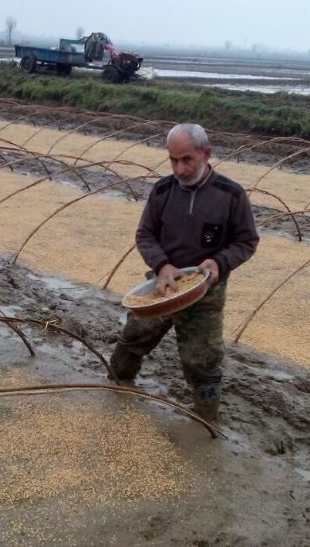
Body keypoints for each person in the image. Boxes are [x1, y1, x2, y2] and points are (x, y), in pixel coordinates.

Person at [110, 123, 259, 424]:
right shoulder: (162, 190)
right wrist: (162, 266)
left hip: (205, 293)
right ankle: (116, 385)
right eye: (173, 160)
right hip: (162, 286)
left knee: (203, 361)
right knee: (134, 336)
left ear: (206, 154)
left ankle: (205, 420)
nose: (179, 168)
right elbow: (145, 235)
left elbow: (246, 241)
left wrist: (219, 263)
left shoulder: (230, 195)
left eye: (187, 159)